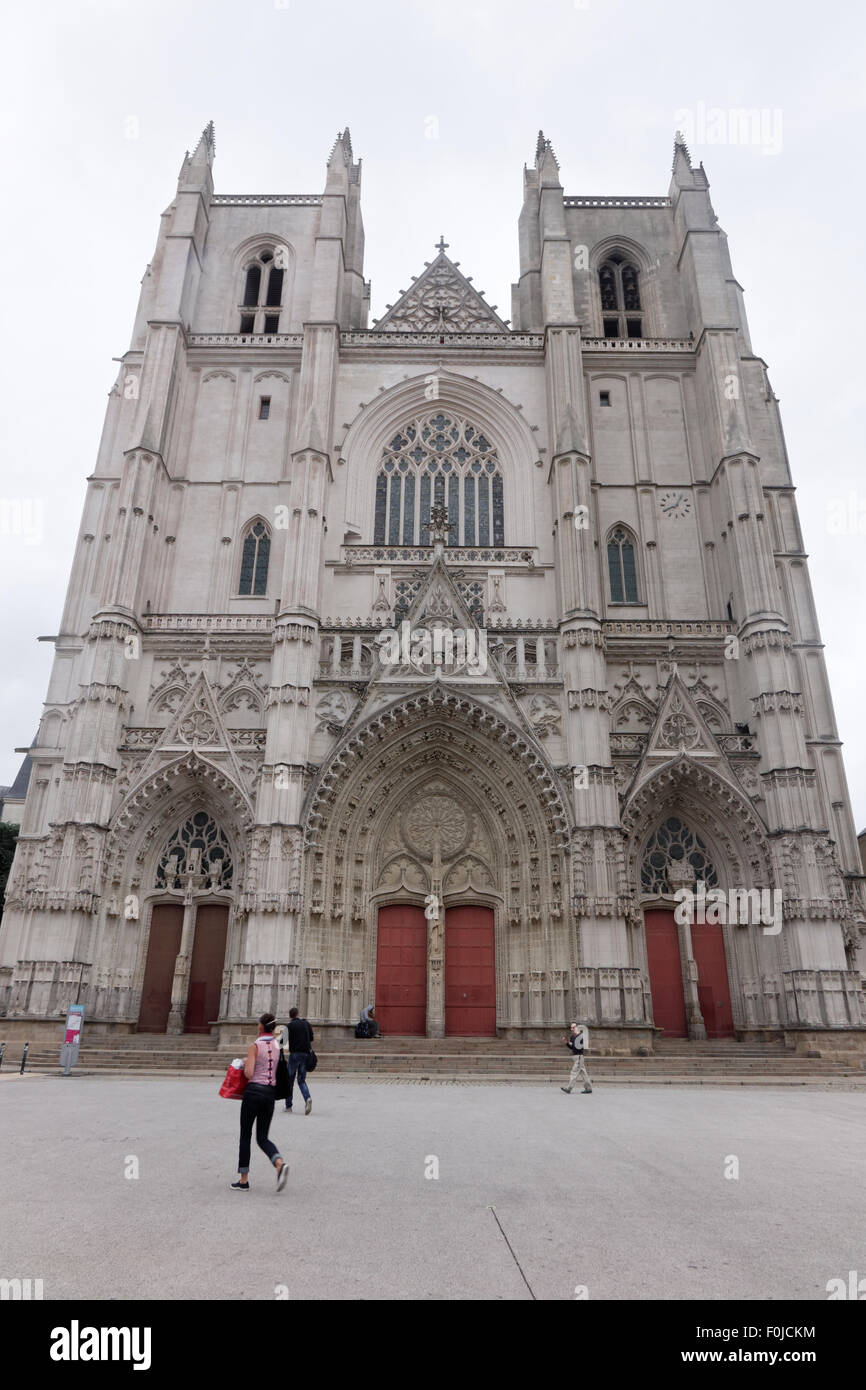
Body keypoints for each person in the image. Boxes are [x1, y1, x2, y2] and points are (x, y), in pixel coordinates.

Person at [231, 1012, 290, 1191]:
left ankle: (243, 1180)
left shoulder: (255, 1045)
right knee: (263, 1137)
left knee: (245, 1135)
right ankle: (279, 1163)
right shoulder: (278, 1045)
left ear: (260, 1026)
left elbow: (249, 1073)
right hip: (269, 1094)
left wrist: (243, 1063)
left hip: (253, 1093)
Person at [283, 1006, 314, 1116]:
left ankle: (288, 1106)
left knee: (290, 1080)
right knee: (301, 1080)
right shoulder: (306, 1023)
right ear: (298, 1014)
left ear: (290, 1016)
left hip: (294, 1055)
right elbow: (311, 1038)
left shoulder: (289, 1025)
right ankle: (307, 1098)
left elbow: (283, 1042)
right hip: (305, 1055)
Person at [561, 1022, 592, 1095]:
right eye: (571, 1028)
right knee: (583, 1073)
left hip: (579, 1057)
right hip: (575, 1057)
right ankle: (588, 1088)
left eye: (573, 1027)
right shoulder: (572, 1037)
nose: (572, 1029)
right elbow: (572, 1047)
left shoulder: (581, 1037)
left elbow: (578, 1048)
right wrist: (566, 1043)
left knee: (574, 1073)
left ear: (577, 1027)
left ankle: (569, 1088)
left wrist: (572, 1044)